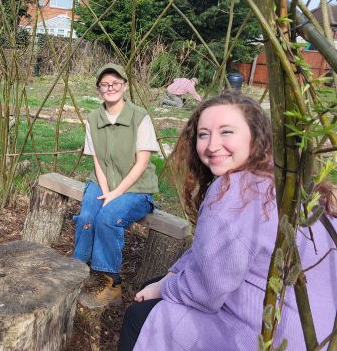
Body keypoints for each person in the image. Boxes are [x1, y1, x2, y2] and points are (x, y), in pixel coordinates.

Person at [118, 91, 337, 351]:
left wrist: (166, 288)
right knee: (155, 286)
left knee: (139, 318)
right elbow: (211, 251)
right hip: (319, 332)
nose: (212, 145)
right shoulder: (286, 182)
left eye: (226, 132)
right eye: (203, 134)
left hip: (269, 335)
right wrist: (171, 276)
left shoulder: (235, 190)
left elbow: (206, 290)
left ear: (255, 137)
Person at [74, 63, 159, 309]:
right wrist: (106, 190)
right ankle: (78, 272)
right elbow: (97, 161)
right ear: (99, 89)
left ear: (124, 85)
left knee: (107, 218)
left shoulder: (139, 117)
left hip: (136, 188)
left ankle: (111, 284)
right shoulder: (93, 119)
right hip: (103, 182)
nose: (110, 88)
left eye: (115, 83)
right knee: (88, 216)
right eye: (105, 84)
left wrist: (116, 194)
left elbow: (142, 163)